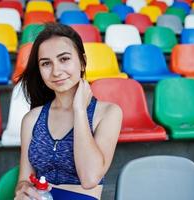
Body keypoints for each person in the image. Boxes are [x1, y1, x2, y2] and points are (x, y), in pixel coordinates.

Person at [14, 23, 122, 200]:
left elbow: (89, 178)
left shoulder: (108, 113)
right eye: (46, 63)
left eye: (64, 59)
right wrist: (23, 188)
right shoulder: (32, 119)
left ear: (82, 62)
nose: (56, 71)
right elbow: (24, 179)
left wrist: (79, 110)